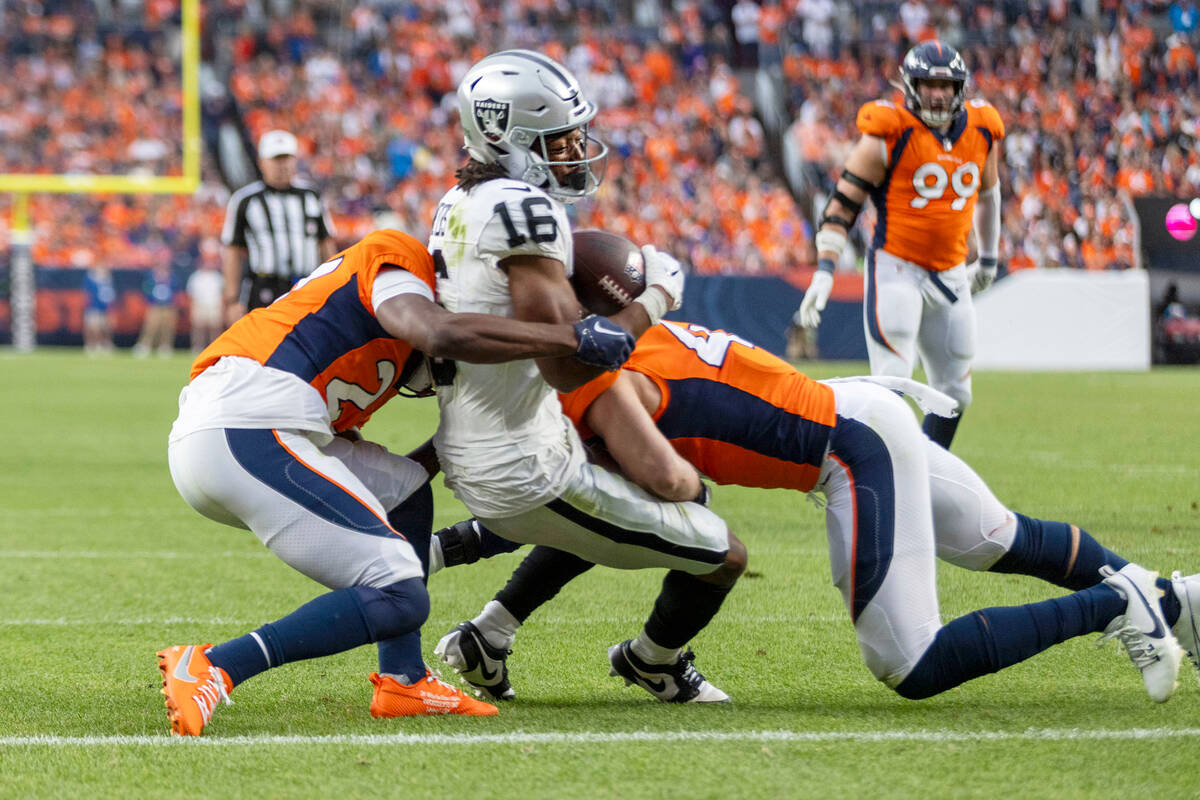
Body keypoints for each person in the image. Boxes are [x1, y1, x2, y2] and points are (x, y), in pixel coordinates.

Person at [431, 320, 1200, 703]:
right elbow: (592, 514)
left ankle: (1120, 601)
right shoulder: (637, 337)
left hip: (848, 446)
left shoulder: (603, 389)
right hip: (856, 405)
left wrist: (453, 547)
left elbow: (615, 507)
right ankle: (1177, 598)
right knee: (996, 538)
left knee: (909, 662)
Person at [156, 227, 637, 736]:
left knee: (405, 489)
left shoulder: (390, 331)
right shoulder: (404, 261)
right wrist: (567, 338)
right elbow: (435, 331)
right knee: (400, 595)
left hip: (250, 427)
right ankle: (216, 665)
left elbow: (411, 406)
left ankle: (403, 679)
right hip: (244, 424)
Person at [428, 49, 746, 705]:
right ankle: (654, 662)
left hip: (495, 434)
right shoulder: (527, 211)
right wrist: (654, 299)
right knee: (721, 550)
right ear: (511, 137)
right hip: (520, 462)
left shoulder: (462, 198)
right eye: (561, 140)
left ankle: (485, 625)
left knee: (632, 488)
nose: (576, 154)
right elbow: (569, 363)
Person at [796, 41, 1004, 449]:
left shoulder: (982, 128)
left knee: (956, 395)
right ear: (910, 86)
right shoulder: (887, 133)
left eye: (946, 86)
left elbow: (989, 194)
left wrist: (990, 259)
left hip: (950, 270)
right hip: (898, 268)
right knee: (891, 390)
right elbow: (842, 206)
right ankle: (879, 484)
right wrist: (825, 269)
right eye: (928, 84)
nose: (938, 94)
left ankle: (925, 475)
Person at [221, 129, 338, 326]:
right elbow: (232, 250)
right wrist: (232, 299)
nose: (282, 165)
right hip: (264, 286)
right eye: (276, 159)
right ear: (262, 162)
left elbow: (325, 243)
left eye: (286, 158)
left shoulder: (311, 196)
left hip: (306, 284)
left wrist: (333, 288)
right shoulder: (245, 200)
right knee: (263, 347)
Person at [186, 239, 224, 354]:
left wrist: (222, 307)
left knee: (215, 328)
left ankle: (215, 347)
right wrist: (192, 307)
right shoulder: (196, 276)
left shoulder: (217, 276)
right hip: (200, 304)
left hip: (214, 304)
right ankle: (197, 347)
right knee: (199, 328)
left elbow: (222, 293)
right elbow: (191, 293)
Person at [132, 262, 178, 358]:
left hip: (168, 305)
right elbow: (146, 289)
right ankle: (145, 345)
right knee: (151, 326)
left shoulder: (172, 278)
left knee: (167, 327)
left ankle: (165, 346)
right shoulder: (151, 278)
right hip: (155, 305)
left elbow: (175, 291)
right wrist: (149, 300)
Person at [82, 266, 116, 356]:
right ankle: (91, 344)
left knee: (105, 328)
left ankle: (104, 344)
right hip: (93, 308)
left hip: (104, 309)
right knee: (92, 327)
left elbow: (110, 296)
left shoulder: (108, 282)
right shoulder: (91, 281)